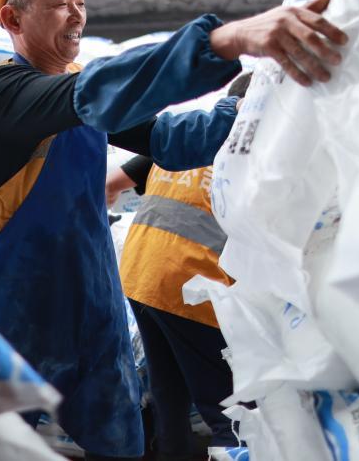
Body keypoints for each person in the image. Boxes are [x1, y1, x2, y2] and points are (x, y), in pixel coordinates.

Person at [0, 0, 346, 460]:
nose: (77, 14)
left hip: (94, 301)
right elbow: (96, 90)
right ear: (12, 18)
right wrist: (227, 40)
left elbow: (170, 140)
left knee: (121, 446)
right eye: (60, 2)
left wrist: (259, 106)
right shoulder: (7, 95)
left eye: (81, 1)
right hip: (22, 306)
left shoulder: (77, 96)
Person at [107, 73, 252, 461]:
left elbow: (111, 183)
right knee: (230, 410)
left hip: (138, 272)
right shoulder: (258, 150)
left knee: (168, 399)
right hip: (189, 283)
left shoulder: (189, 137)